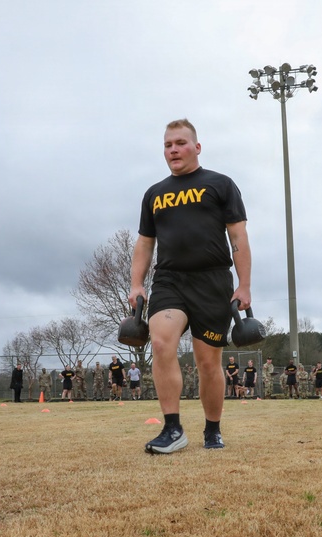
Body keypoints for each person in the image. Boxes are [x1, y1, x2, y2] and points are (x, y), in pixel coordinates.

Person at [129, 119, 252, 454]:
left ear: (196, 147)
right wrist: (137, 283)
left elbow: (237, 235)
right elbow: (144, 243)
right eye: (168, 145)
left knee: (208, 363)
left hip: (212, 281)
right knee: (160, 341)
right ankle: (172, 429)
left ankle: (212, 429)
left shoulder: (220, 185)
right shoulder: (154, 194)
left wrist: (244, 286)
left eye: (180, 143)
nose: (173, 150)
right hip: (170, 280)